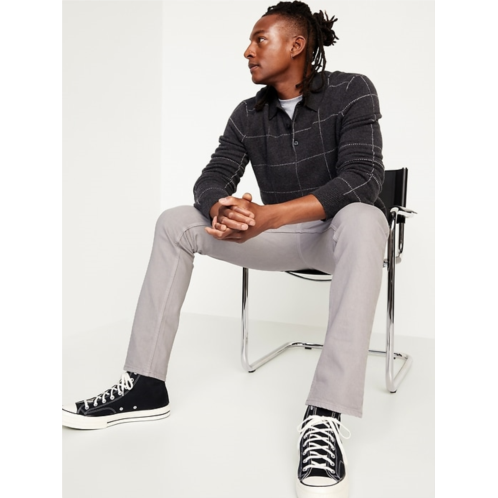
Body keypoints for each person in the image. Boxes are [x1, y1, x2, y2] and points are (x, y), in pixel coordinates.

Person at [62, 2, 390, 497]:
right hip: (273, 238)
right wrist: (222, 208)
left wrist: (270, 215)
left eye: (260, 39)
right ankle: (146, 384)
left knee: (366, 216)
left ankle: (326, 414)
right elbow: (213, 177)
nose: (247, 51)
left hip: (335, 237)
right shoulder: (248, 114)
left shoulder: (352, 90)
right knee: (174, 221)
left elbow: (363, 178)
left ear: (296, 45)